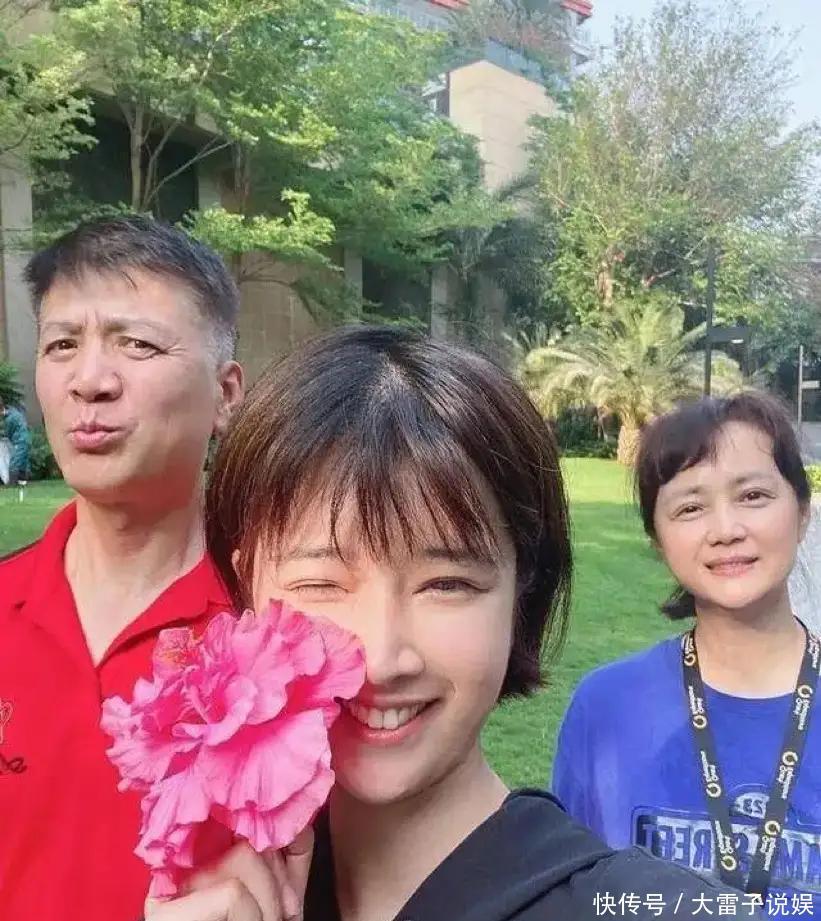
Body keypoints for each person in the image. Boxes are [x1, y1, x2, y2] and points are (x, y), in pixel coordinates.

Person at [150, 326, 753, 921]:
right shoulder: (220, 886)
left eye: (446, 584)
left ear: (522, 594)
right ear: (247, 592)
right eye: (321, 585)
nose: (382, 658)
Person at [0, 216, 244, 921]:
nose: (90, 381)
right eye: (62, 345)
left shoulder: (279, 631)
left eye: (137, 343)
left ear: (225, 393)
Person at [553, 393, 819, 916]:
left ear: (803, 513)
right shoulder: (605, 709)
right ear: (657, 538)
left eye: (753, 496)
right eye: (690, 507)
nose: (726, 530)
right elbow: (574, 897)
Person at [0, 395, 31, 485]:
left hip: (20, 441)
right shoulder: (12, 411)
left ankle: (12, 483)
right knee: (23, 463)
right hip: (26, 439)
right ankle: (23, 482)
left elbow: (8, 433)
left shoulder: (10, 419)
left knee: (15, 463)